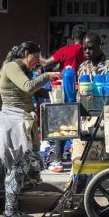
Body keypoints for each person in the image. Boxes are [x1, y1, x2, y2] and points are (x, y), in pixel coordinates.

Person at [0, 41, 60, 217]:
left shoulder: (20, 68)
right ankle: (9, 214)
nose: (36, 63)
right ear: (25, 53)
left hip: (20, 121)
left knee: (21, 167)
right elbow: (28, 87)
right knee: (19, 167)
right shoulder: (12, 66)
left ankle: (12, 210)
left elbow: (28, 89)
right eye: (34, 58)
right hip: (13, 123)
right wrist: (46, 76)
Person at [71, 32, 109, 194]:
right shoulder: (83, 67)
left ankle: (103, 200)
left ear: (99, 46)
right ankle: (75, 196)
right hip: (84, 122)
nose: (87, 52)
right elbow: (79, 95)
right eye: (84, 49)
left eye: (90, 48)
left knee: (101, 165)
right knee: (78, 161)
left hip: (103, 122)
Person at [40, 30, 87, 172]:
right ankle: (82, 159)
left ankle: (57, 161)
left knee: (63, 126)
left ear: (72, 37)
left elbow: (45, 63)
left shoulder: (66, 50)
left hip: (65, 95)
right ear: (85, 38)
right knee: (83, 127)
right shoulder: (89, 52)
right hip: (85, 94)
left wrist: (39, 53)